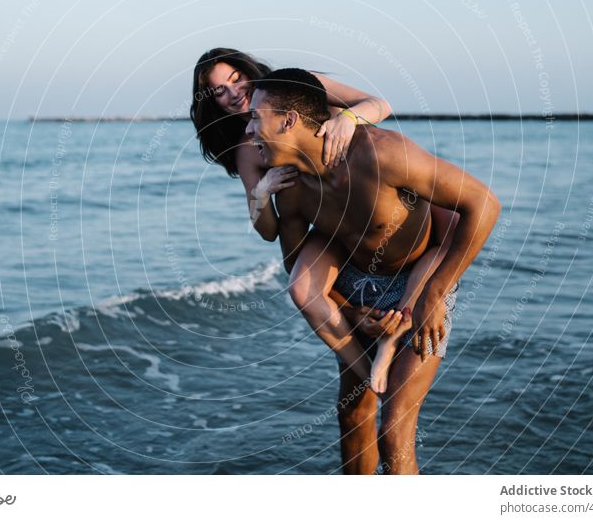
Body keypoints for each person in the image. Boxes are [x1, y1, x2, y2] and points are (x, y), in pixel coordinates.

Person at [246, 68, 501, 474]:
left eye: (255, 117)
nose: (249, 128)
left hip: (421, 282)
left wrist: (435, 294)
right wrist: (351, 310)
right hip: (355, 288)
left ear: (288, 120)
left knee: (394, 431)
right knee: (352, 417)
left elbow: (484, 204)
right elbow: (298, 269)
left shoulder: (380, 154)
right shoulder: (290, 190)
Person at [190, 48, 392, 242]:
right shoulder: (247, 151)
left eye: (236, 79)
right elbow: (268, 233)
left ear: (249, 71)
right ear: (213, 103)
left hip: (375, 197)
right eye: (219, 91)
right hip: (331, 225)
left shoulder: (298, 85)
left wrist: (348, 119)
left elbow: (380, 104)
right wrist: (262, 192)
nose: (234, 92)